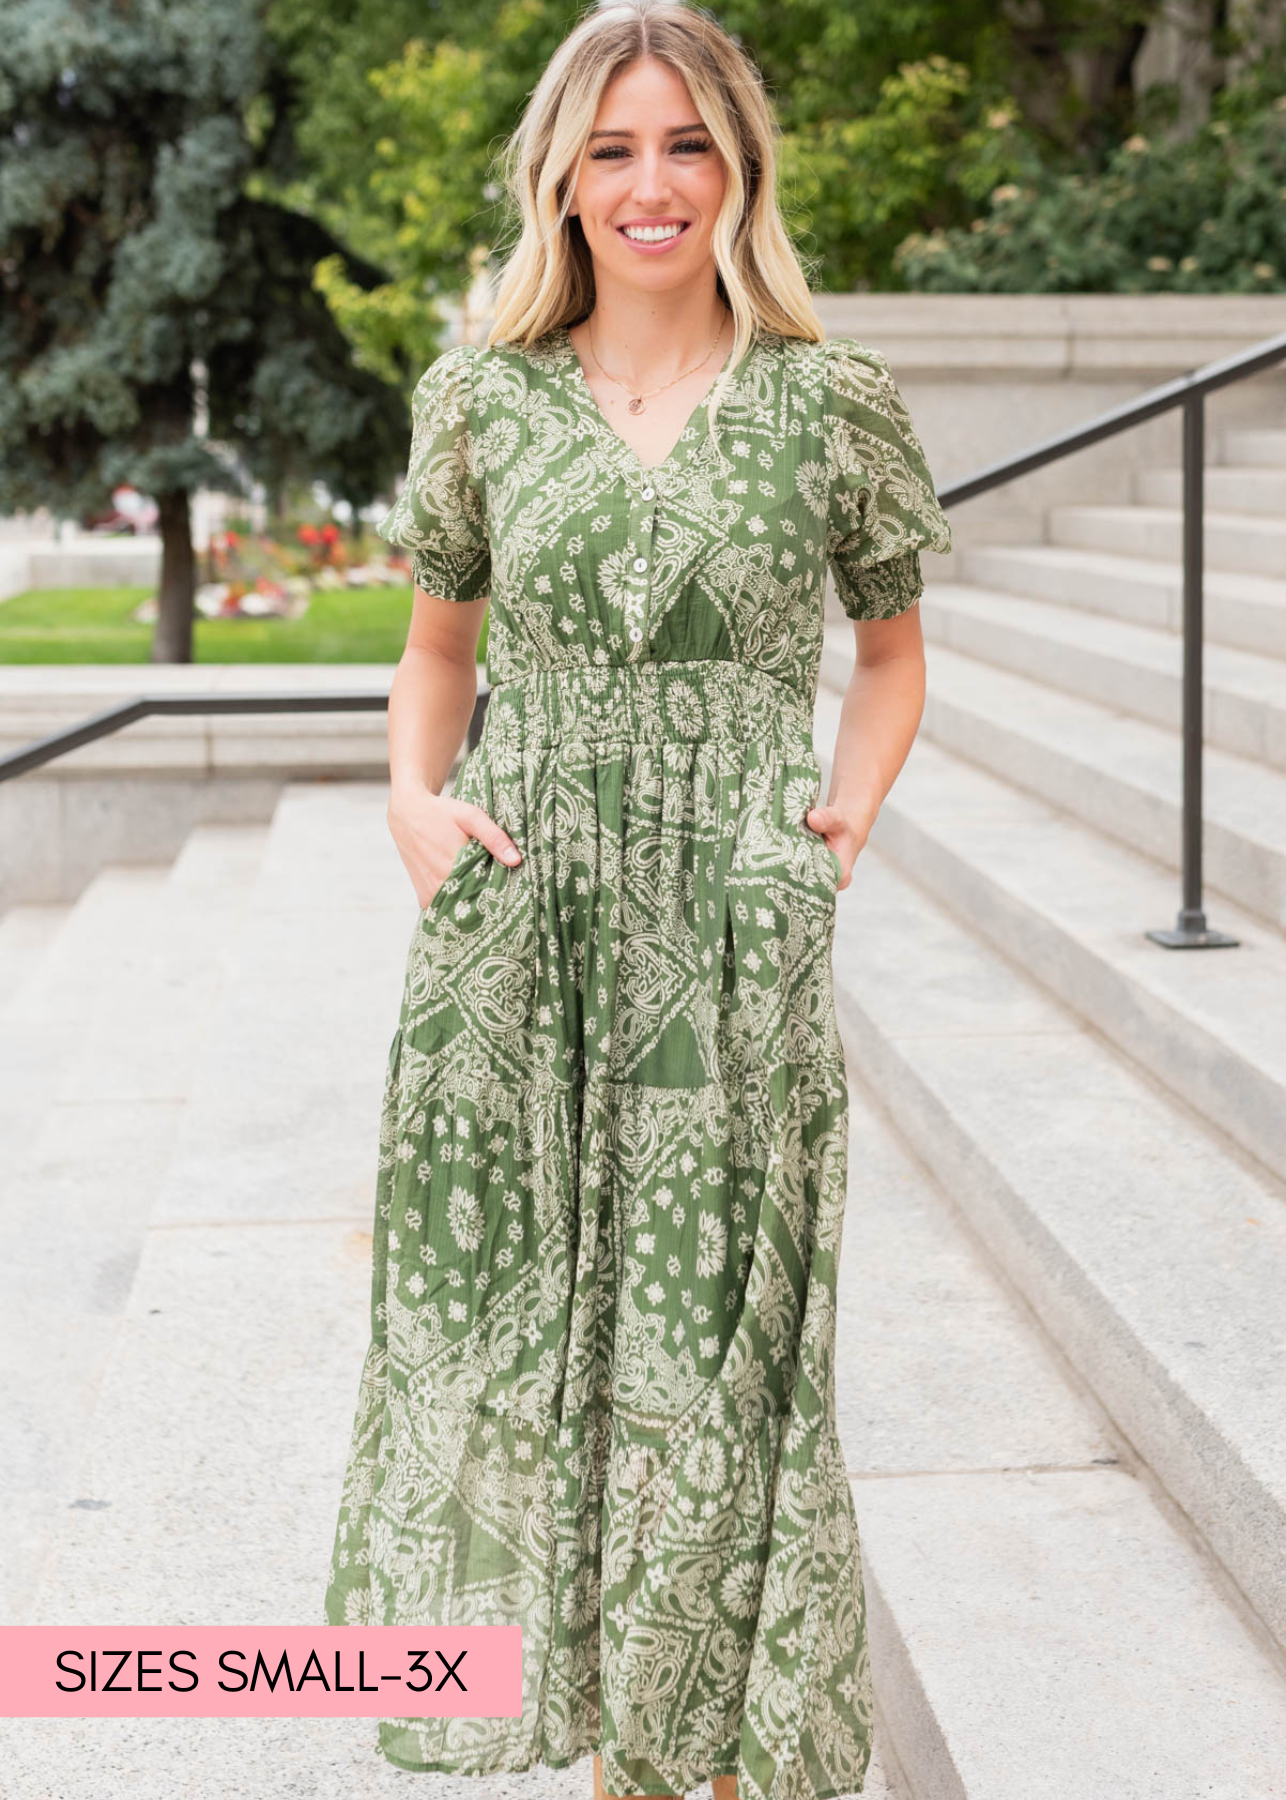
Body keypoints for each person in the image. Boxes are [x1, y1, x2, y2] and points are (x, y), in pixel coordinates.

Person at [323, 4, 952, 1798]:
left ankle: (699, 1757)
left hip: (730, 936)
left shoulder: (830, 402)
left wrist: (834, 825)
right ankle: (584, 1733)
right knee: (510, 1323)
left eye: (684, 144)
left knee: (709, 1340)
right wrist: (408, 803)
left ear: (737, 165)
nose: (650, 183)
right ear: (561, 178)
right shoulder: (481, 401)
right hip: (521, 930)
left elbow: (895, 657)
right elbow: (434, 654)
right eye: (611, 148)